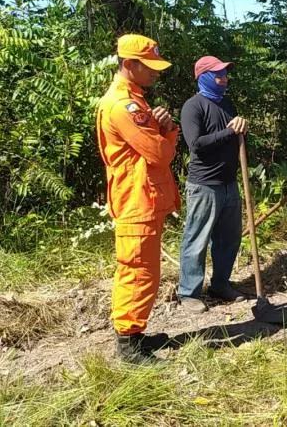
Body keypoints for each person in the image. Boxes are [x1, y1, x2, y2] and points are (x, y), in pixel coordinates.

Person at [96, 34, 178, 363]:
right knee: (137, 271)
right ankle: (129, 346)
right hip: (136, 200)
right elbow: (159, 153)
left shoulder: (136, 99)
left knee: (145, 269)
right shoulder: (123, 105)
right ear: (129, 65)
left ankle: (136, 333)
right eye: (150, 67)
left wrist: (161, 126)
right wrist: (168, 131)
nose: (156, 73)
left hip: (143, 197)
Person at [175, 56, 247, 313]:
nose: (225, 79)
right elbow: (197, 145)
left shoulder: (226, 104)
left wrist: (240, 129)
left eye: (226, 74)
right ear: (204, 76)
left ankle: (220, 284)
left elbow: (232, 137)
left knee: (229, 239)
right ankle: (188, 292)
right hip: (204, 185)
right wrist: (230, 131)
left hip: (229, 184)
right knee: (197, 239)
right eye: (219, 75)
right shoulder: (193, 107)